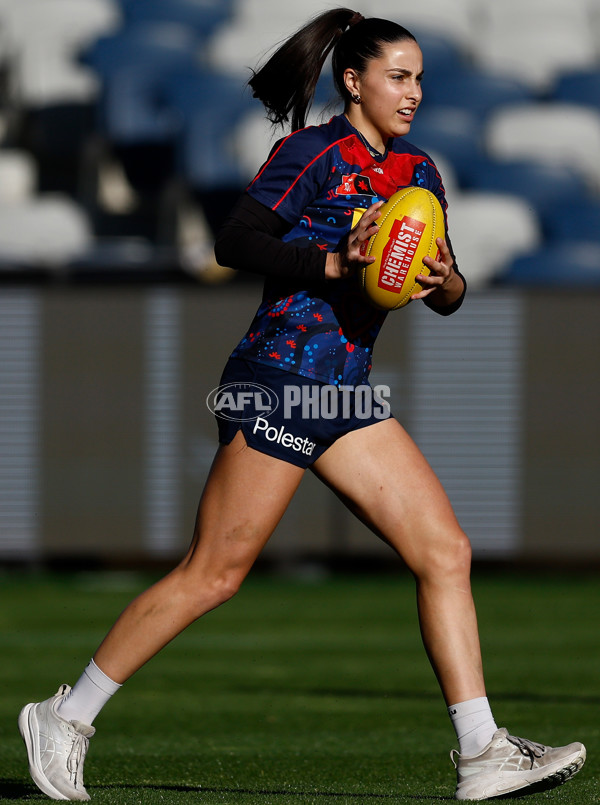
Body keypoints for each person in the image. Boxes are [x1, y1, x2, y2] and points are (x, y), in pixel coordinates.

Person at [18, 9, 586, 802]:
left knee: (444, 551)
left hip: (346, 392)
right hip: (280, 377)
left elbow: (446, 295)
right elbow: (236, 240)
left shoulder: (419, 172)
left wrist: (445, 278)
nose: (414, 91)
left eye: (420, 76)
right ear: (353, 82)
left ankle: (482, 749)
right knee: (214, 573)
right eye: (399, 76)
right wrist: (331, 259)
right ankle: (65, 715)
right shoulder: (312, 152)